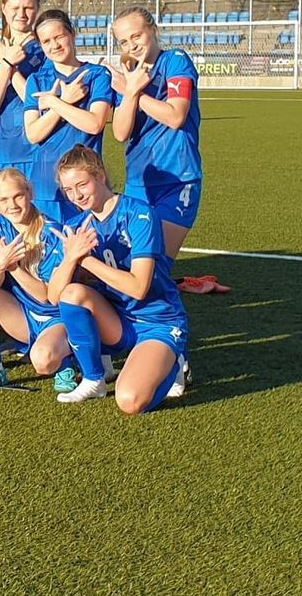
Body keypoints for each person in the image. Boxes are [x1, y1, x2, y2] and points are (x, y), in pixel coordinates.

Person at [47, 145, 189, 413]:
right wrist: (70, 258)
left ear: (100, 175)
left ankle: (174, 362)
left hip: (157, 320)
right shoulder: (76, 226)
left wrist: (85, 260)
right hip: (116, 320)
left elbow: (139, 287)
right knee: (71, 294)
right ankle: (94, 379)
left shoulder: (139, 214)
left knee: (129, 402)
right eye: (68, 190)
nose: (76, 195)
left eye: (82, 185)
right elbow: (54, 297)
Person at [0, 168, 83, 393]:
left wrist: (12, 267)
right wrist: (0, 265)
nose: (12, 205)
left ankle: (68, 360)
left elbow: (46, 296)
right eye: (3, 199)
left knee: (43, 361)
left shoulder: (51, 232)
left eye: (18, 196)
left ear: (30, 193)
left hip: (56, 317)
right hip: (24, 313)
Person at [109, 7, 202, 260]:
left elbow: (175, 116)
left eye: (136, 36)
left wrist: (133, 93)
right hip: (139, 179)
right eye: (124, 41)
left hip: (178, 178)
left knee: (156, 263)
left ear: (153, 30)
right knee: (131, 263)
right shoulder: (128, 76)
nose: (131, 45)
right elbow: (120, 133)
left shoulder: (175, 61)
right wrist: (130, 90)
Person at [23, 10, 112, 222]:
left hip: (85, 185)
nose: (54, 45)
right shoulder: (36, 80)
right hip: (45, 187)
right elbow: (33, 134)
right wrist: (65, 101)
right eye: (46, 41)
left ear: (72, 34)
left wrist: (54, 102)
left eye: (59, 37)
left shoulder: (97, 75)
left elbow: (94, 124)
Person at [0, 0, 46, 180]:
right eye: (15, 7)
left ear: (37, 8)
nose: (21, 14)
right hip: (4, 151)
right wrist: (5, 64)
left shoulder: (47, 50)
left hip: (39, 150)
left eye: (28, 8)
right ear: (4, 8)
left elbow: (41, 103)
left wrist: (12, 67)